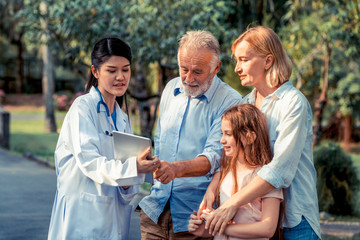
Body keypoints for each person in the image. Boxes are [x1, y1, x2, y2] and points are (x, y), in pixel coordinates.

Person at [199, 26, 321, 240]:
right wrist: (212, 189)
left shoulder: (293, 103)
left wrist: (232, 203)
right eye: (237, 60)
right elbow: (233, 157)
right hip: (255, 219)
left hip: (295, 219)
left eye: (244, 59)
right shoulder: (246, 104)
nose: (237, 68)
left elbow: (280, 170)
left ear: (268, 61)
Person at [47, 37, 160, 240]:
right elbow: (90, 163)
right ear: (95, 71)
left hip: (114, 220)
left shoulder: (122, 118)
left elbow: (126, 183)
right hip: (82, 216)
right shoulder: (82, 108)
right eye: (112, 70)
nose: (120, 77)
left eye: (125, 69)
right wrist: (134, 167)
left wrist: (132, 177)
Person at [139, 30, 243, 239]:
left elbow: (216, 157)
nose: (188, 78)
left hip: (196, 218)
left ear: (216, 68)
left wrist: (176, 169)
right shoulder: (170, 88)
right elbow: (161, 140)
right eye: (183, 69)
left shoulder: (230, 101)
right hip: (155, 209)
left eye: (197, 71)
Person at [188, 104, 283, 239]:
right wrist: (205, 228)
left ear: (250, 137)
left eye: (228, 134)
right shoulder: (226, 173)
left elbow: (268, 228)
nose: (222, 140)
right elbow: (222, 228)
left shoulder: (265, 178)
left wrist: (223, 227)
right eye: (222, 133)